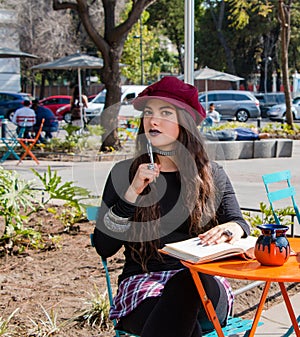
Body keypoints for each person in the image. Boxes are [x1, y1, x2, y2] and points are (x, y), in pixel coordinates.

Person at [93, 76, 251, 337]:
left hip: (204, 284)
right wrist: (133, 192)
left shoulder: (211, 175)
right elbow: (104, 247)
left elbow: (240, 223)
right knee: (175, 321)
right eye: (148, 113)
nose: (152, 121)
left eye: (165, 113)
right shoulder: (125, 174)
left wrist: (230, 229)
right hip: (143, 286)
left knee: (188, 281)